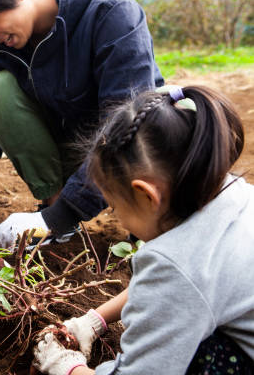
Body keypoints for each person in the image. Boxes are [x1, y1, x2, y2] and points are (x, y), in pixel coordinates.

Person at [0, 0, 164, 257]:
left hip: (130, 155)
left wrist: (54, 219)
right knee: (0, 89)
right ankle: (58, 212)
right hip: (65, 152)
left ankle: (70, 218)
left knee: (152, 225)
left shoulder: (111, 15)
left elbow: (126, 131)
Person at [33, 86, 254, 374]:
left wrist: (66, 366)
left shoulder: (177, 265)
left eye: (114, 206)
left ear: (147, 196)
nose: (118, 219)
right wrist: (94, 320)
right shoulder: (231, 195)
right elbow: (183, 285)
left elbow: (176, 280)